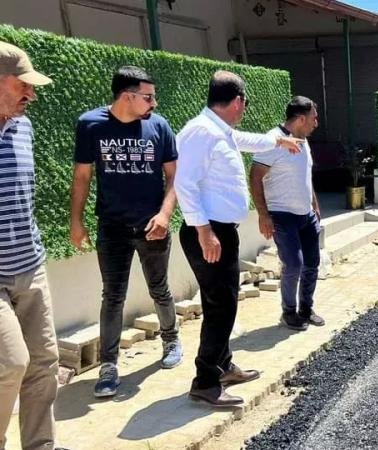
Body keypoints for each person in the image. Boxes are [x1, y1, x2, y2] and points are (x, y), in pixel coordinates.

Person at [175, 70, 303, 407]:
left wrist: (279, 141)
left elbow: (246, 140)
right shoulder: (201, 132)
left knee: (221, 302)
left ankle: (223, 366)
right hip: (209, 233)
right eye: (245, 104)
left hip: (219, 232)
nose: (244, 109)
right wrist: (204, 232)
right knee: (221, 306)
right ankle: (205, 382)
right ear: (237, 101)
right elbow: (184, 184)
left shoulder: (219, 130)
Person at [70, 66, 183, 398]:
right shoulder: (90, 124)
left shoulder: (159, 126)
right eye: (148, 97)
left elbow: (175, 176)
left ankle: (171, 340)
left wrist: (164, 215)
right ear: (127, 96)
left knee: (159, 289)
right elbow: (82, 176)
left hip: (152, 226)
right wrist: (75, 221)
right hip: (112, 227)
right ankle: (108, 366)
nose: (154, 103)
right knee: (113, 296)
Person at [0, 41, 59, 450]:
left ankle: (40, 445)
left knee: (43, 363)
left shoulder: (24, 127)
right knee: (11, 363)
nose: (31, 95)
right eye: (23, 85)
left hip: (30, 265)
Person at [250, 96, 324, 331]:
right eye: (313, 118)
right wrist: (263, 215)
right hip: (282, 215)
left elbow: (305, 175)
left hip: (306, 215)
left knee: (312, 263)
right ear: (301, 119)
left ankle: (306, 309)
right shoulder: (273, 140)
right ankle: (289, 312)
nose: (316, 123)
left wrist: (314, 204)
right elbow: (255, 177)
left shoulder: (303, 141)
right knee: (293, 264)